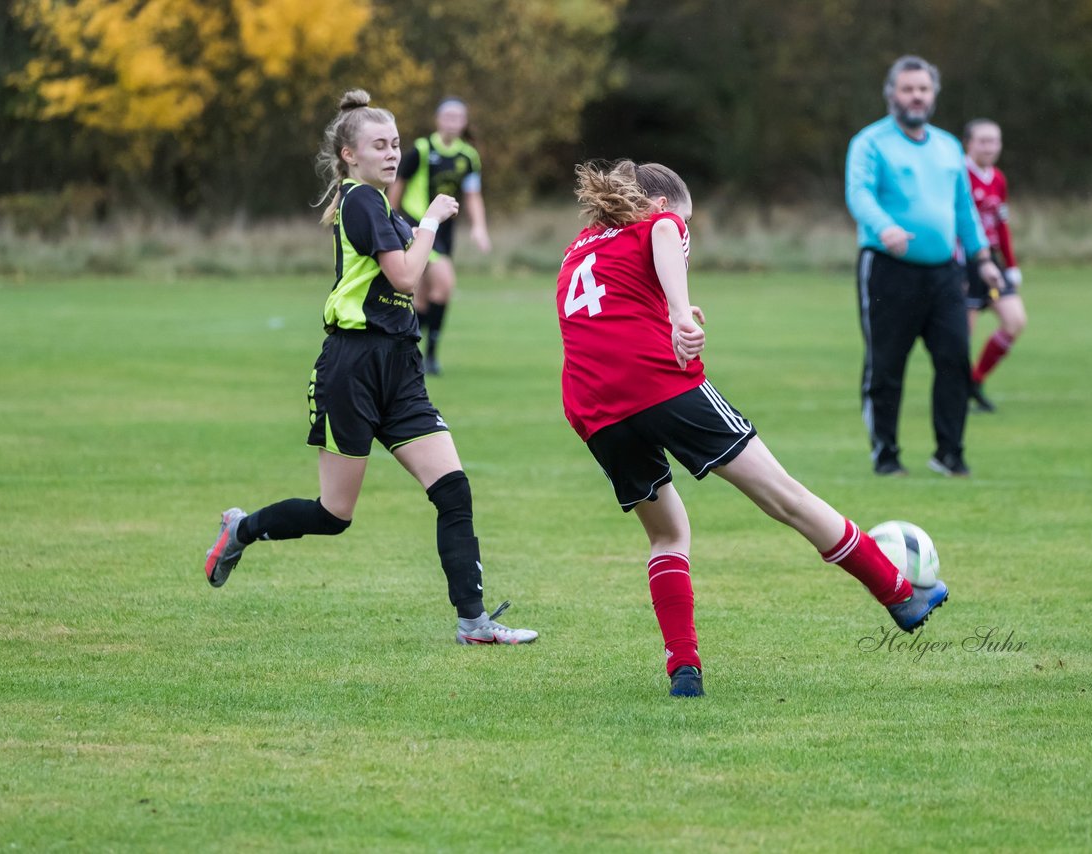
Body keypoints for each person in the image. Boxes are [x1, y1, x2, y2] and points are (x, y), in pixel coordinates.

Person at [555, 159, 950, 698]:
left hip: (593, 407)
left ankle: (684, 669)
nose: (687, 232)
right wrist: (679, 317)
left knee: (668, 534)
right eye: (686, 221)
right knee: (785, 497)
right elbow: (667, 239)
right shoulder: (663, 223)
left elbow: (610, 306)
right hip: (658, 383)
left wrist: (668, 307)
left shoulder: (583, 245)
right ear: (663, 206)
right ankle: (900, 592)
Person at [203, 89, 536, 646]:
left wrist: (425, 232)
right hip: (352, 368)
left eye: (397, 144)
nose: (392, 153)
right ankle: (240, 528)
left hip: (399, 367)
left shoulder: (382, 207)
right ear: (349, 156)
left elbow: (414, 275)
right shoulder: (360, 200)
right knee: (334, 514)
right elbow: (407, 277)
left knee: (452, 489)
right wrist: (429, 221)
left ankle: (473, 622)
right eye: (379, 145)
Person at [845, 55, 1003, 478]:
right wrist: (886, 227)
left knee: (954, 359)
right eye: (908, 88)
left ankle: (949, 454)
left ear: (934, 94)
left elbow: (963, 208)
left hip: (946, 272)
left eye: (923, 89)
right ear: (891, 94)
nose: (916, 96)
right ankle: (886, 455)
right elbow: (859, 194)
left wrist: (983, 259)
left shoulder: (949, 146)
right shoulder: (870, 142)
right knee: (886, 365)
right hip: (887, 269)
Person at [388, 97, 491, 376]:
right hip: (417, 225)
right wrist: (392, 220)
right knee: (444, 284)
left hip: (444, 231)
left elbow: (472, 194)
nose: (452, 122)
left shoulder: (468, 156)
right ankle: (427, 355)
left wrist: (479, 227)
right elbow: (398, 185)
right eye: (447, 116)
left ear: (465, 122)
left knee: (422, 297)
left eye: (458, 117)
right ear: (438, 120)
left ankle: (413, 353)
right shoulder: (422, 149)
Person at [962, 118, 1027, 413]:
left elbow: (1001, 225)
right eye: (983, 141)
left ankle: (974, 380)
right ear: (969, 143)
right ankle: (956, 390)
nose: (990, 147)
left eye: (995, 141)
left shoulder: (998, 178)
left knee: (1014, 321)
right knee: (961, 337)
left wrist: (1010, 265)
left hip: (994, 267)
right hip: (965, 265)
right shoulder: (959, 175)